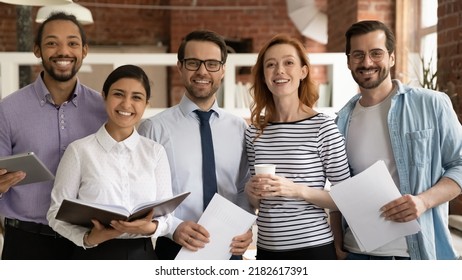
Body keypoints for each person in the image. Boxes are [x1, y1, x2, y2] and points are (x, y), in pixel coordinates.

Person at [331, 20, 462, 260]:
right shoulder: (340, 120)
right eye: (358, 55)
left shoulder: (431, 104)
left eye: (376, 53)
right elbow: (338, 188)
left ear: (391, 58)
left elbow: (460, 164)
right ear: (348, 61)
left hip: (413, 254)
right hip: (355, 253)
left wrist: (423, 201)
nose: (367, 62)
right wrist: (338, 245)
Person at [138, 30, 254, 259]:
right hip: (173, 247)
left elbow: (243, 187)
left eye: (212, 64)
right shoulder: (153, 128)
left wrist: (245, 226)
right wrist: (173, 227)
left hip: (229, 248)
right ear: (180, 66)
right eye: (193, 63)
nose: (202, 71)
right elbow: (142, 196)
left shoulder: (239, 128)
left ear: (222, 70)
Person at [0, 12, 107, 260]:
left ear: (84, 50)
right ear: (37, 50)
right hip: (26, 243)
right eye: (51, 43)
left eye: (72, 43)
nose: (63, 51)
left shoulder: (103, 110)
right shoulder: (8, 110)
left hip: (88, 241)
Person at [47, 64, 173, 260]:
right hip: (91, 255)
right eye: (119, 94)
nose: (126, 104)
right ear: (104, 96)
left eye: (137, 97)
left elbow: (167, 216)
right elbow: (55, 213)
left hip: (143, 255)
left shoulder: (155, 152)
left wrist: (150, 227)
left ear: (146, 104)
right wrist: (88, 238)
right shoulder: (79, 151)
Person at [244, 34, 350, 260]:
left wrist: (296, 190)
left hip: (314, 249)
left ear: (303, 71)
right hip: (266, 250)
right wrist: (250, 193)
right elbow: (256, 203)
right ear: (264, 76)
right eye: (270, 65)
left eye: (288, 62)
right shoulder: (254, 131)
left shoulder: (323, 128)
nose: (279, 70)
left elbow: (347, 197)